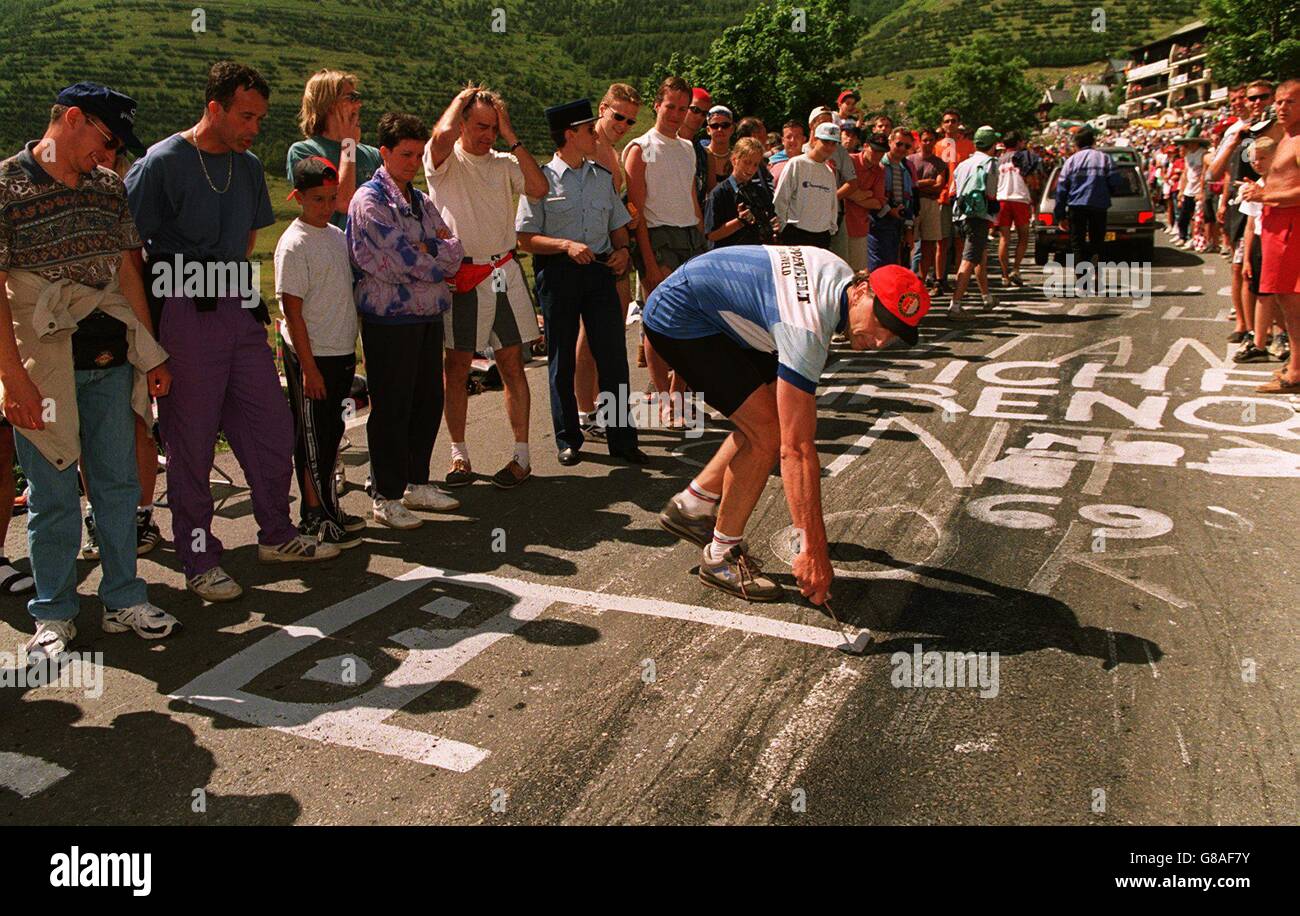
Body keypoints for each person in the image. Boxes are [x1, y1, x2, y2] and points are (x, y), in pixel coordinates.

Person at [126, 62, 339, 604]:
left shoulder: (245, 168)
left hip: (237, 308)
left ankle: (277, 533)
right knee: (191, 441)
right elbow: (128, 251)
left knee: (268, 425)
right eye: (246, 116)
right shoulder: (161, 163)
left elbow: (245, 240)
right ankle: (198, 558)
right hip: (180, 311)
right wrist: (150, 341)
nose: (254, 128)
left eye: (261, 119)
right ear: (214, 108)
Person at [1, 82, 179, 659]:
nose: (110, 155)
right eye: (106, 139)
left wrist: (149, 352)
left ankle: (124, 595)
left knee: (117, 483)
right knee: (51, 492)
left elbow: (128, 273)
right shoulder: (5, 185)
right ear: (71, 119)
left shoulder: (108, 188)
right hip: (43, 368)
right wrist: (13, 380)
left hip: (106, 362)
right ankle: (53, 614)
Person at [644, 247, 930, 604]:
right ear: (860, 291)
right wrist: (813, 551)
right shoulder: (807, 327)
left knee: (767, 422)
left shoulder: (838, 277)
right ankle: (720, 559)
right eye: (881, 322)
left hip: (718, 311)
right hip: (682, 315)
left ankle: (691, 507)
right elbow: (797, 452)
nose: (880, 340)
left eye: (894, 334)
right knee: (768, 435)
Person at [424, 86, 548, 490]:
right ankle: (459, 454)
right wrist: (461, 98)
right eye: (480, 126)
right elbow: (440, 137)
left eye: (492, 128)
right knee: (456, 368)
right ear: (461, 122)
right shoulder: (443, 161)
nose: (487, 136)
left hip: (504, 271)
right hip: (463, 275)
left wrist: (511, 135)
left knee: (513, 364)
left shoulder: (504, 162)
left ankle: (522, 456)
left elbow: (538, 187)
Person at [516, 99, 645, 467]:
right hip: (559, 274)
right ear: (570, 135)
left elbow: (618, 227)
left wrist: (623, 252)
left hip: (601, 271)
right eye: (589, 129)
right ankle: (568, 438)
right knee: (562, 360)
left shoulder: (601, 177)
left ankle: (623, 440)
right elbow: (526, 238)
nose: (595, 135)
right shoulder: (540, 181)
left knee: (614, 359)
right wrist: (565, 246)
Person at [351, 113, 465, 526]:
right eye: (405, 154)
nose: (413, 162)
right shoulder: (369, 201)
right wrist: (430, 253)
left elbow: (453, 245)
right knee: (392, 406)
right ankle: (384, 493)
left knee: (426, 401)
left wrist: (426, 250)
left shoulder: (418, 199)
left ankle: (416, 483)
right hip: (389, 319)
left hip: (427, 314)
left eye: (418, 154)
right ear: (384, 153)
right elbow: (399, 262)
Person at [276, 156, 364, 546]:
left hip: (340, 350)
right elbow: (292, 311)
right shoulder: (294, 244)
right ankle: (314, 517)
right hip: (311, 356)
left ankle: (329, 506)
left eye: (331, 198)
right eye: (317, 199)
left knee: (331, 435)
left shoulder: (334, 235)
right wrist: (308, 368)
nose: (326, 206)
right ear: (297, 196)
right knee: (311, 438)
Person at [625, 76, 707, 410]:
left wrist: (703, 241)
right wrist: (647, 260)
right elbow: (637, 213)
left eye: (682, 108)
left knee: (691, 320)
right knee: (659, 324)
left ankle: (679, 391)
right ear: (657, 104)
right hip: (657, 239)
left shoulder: (689, 149)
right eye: (670, 106)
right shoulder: (639, 149)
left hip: (690, 238)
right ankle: (664, 400)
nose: (675, 114)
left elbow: (692, 200)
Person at [576, 82, 641, 439]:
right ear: (602, 109)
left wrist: (626, 219)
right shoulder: (590, 147)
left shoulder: (612, 152)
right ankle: (586, 411)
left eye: (630, 121)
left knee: (609, 332)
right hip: (591, 254)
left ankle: (602, 407)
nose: (622, 125)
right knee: (591, 336)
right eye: (618, 116)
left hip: (612, 252)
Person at [1241, 79, 1300, 394]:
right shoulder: (1285, 139)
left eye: (1289, 102)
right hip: (1277, 225)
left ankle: (1297, 371)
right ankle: (1295, 366)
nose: (1281, 107)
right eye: (1278, 102)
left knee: (1292, 302)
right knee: (1285, 300)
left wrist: (1264, 197)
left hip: (1291, 225)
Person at [286, 69, 382, 231]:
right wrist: (349, 145)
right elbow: (343, 202)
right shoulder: (303, 152)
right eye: (351, 98)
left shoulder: (373, 154)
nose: (359, 104)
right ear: (328, 105)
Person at [948, 125, 1001, 319]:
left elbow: (953, 191)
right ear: (992, 144)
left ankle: (987, 297)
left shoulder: (964, 164)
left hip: (960, 216)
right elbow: (991, 193)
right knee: (969, 260)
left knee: (980, 256)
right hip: (978, 217)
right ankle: (955, 305)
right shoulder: (991, 163)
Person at [1053, 126, 1124, 267]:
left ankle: (1082, 282)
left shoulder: (1071, 161)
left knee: (1078, 244)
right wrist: (1106, 193)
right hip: (1099, 206)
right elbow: (1116, 182)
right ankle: (1097, 271)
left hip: (1076, 206)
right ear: (1093, 142)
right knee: (1097, 242)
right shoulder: (1105, 159)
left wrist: (1060, 215)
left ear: (1076, 145)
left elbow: (1061, 189)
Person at [774, 122, 842, 249]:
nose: (829, 147)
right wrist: (782, 228)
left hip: (822, 237)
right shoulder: (797, 164)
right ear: (815, 140)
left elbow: (832, 204)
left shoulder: (829, 172)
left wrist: (831, 228)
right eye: (826, 142)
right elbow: (781, 199)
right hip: (796, 234)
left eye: (834, 143)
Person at [704, 138, 778, 248]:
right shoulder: (719, 193)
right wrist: (740, 222)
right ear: (734, 160)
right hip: (729, 256)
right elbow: (711, 235)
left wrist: (772, 225)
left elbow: (771, 219)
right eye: (746, 162)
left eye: (755, 164)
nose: (751, 168)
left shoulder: (760, 192)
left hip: (755, 252)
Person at [994, 130, 1040, 286]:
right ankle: (1016, 269)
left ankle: (1005, 275)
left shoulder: (998, 161)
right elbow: (1032, 181)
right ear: (1019, 142)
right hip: (1020, 199)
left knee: (1004, 239)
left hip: (1002, 200)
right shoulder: (1025, 157)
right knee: (1023, 237)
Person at [935, 110, 974, 293]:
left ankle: (960, 281)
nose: (950, 124)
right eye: (947, 121)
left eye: (953, 121)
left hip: (962, 198)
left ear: (959, 124)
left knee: (960, 242)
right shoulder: (938, 146)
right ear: (942, 125)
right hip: (943, 199)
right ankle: (939, 280)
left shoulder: (968, 145)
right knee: (942, 242)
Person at [907, 127, 948, 287]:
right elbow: (909, 184)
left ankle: (921, 281)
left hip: (932, 204)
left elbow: (939, 185)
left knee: (929, 243)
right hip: (914, 203)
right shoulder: (910, 160)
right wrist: (926, 183)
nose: (928, 143)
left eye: (931, 140)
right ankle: (910, 278)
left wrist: (918, 184)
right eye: (925, 140)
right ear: (919, 141)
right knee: (909, 242)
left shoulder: (939, 163)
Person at [869, 128, 915, 270]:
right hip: (877, 222)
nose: (902, 149)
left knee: (893, 267)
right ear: (890, 142)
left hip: (897, 225)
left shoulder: (905, 170)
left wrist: (908, 229)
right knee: (877, 266)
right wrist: (889, 210)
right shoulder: (878, 165)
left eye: (907, 146)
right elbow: (873, 194)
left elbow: (908, 202)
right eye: (899, 144)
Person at [841, 131, 886, 272]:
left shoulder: (879, 170)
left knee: (857, 272)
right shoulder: (848, 160)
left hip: (859, 225)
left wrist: (850, 194)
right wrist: (865, 194)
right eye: (875, 150)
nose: (878, 155)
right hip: (839, 224)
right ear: (865, 146)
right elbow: (835, 189)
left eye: (882, 152)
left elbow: (878, 203)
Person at [702, 105, 734, 195]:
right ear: (708, 130)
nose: (720, 129)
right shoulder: (700, 157)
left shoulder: (738, 159)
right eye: (715, 126)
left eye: (725, 125)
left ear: (732, 129)